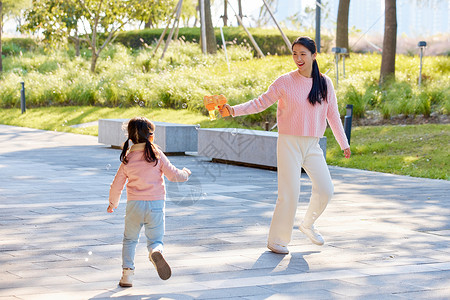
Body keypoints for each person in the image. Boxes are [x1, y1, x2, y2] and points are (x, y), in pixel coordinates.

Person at [220, 36, 351, 254]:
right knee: (289, 193)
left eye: (303, 54)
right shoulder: (285, 81)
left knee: (326, 189)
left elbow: (333, 115)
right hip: (289, 143)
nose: (298, 58)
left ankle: (307, 224)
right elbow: (260, 103)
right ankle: (277, 240)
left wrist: (343, 143)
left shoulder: (325, 83)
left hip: (313, 145)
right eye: (294, 54)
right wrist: (233, 110)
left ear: (314, 55)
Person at [107, 117, 191, 287]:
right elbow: (174, 175)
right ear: (151, 137)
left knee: (130, 240)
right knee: (155, 239)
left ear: (130, 138)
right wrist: (185, 174)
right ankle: (155, 251)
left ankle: (127, 276)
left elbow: (117, 184)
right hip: (155, 205)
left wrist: (112, 203)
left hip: (134, 206)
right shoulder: (156, 155)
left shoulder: (128, 158)